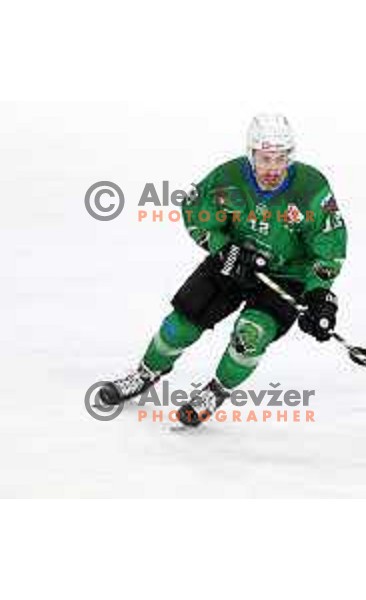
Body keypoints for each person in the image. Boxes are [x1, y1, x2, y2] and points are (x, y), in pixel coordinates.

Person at [99, 114, 348, 427]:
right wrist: (224, 247)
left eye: (281, 159)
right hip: (233, 262)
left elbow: (330, 244)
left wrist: (318, 294)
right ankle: (144, 374)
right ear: (251, 154)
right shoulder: (228, 178)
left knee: (250, 335)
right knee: (181, 324)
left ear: (290, 156)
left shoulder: (311, 188)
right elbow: (194, 211)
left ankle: (216, 391)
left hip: (287, 277)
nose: (273, 168)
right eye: (265, 158)